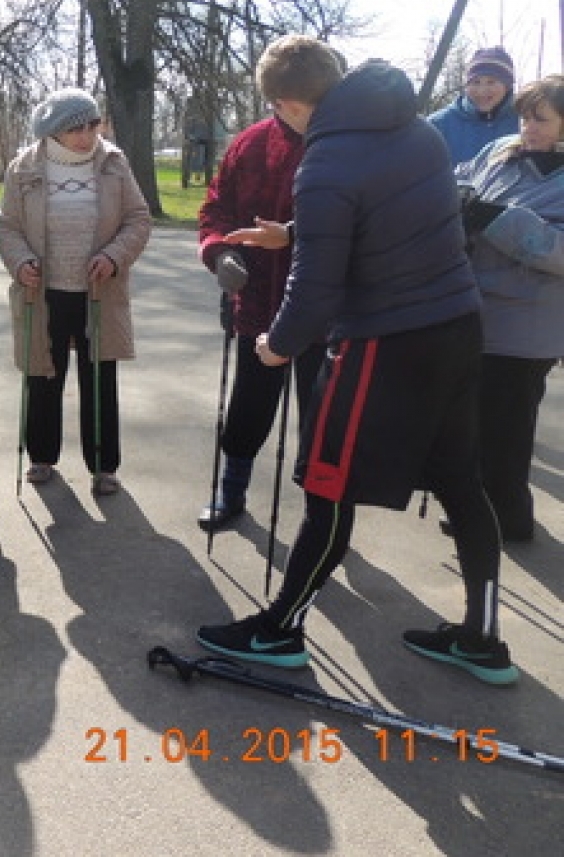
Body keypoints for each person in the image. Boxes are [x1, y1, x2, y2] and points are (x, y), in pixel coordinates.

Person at [196, 37, 519, 687]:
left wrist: (278, 344)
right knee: (461, 479)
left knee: (328, 482)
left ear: (286, 103)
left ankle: (279, 629)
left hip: (385, 339)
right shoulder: (417, 129)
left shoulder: (327, 162)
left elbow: (314, 290)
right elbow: (391, 218)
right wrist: (288, 232)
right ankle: (483, 636)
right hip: (458, 324)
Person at [194, 41, 327, 531]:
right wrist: (219, 252)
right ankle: (231, 491)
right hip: (255, 303)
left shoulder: (346, 148)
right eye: (276, 103)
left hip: (324, 313)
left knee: (322, 417)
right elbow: (214, 210)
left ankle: (324, 513)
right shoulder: (250, 142)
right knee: (249, 404)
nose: (282, 111)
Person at [0, 88, 151, 495]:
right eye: (75, 128)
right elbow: (7, 225)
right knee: (43, 373)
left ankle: (103, 465)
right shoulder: (23, 167)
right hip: (42, 290)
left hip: (99, 290)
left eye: (93, 125)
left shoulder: (114, 163)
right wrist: (20, 260)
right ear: (54, 132)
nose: (86, 135)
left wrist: (115, 257)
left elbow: (137, 219)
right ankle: (41, 456)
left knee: (99, 376)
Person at [454, 74, 564, 543]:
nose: (527, 127)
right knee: (474, 423)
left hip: (528, 326)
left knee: (508, 432)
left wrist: (497, 219)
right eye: (523, 116)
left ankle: (510, 518)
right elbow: (456, 183)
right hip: (477, 311)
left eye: (540, 118)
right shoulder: (499, 153)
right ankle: (480, 509)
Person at [427, 46, 520, 165]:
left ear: (507, 86)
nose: (482, 91)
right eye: (475, 82)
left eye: (491, 82)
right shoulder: (438, 125)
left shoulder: (525, 123)